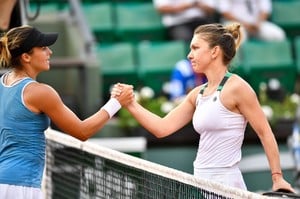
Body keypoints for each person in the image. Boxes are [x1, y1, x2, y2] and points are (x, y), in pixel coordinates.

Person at [113, 23, 295, 192]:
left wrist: (277, 177)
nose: (189, 55)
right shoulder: (197, 94)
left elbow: (265, 132)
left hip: (227, 186)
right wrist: (131, 104)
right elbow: (162, 128)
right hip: (200, 183)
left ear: (215, 51)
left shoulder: (238, 88)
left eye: (195, 48)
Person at [0, 25, 133, 198]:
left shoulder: (3, 82)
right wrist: (116, 103)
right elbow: (82, 131)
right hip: (19, 186)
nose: (50, 52)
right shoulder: (40, 92)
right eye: (43, 48)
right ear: (26, 57)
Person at [218, 0, 286, 42]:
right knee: (238, 36)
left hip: (256, 24)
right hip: (235, 23)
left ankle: (272, 61)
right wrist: (245, 24)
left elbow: (265, 9)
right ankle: (238, 64)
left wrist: (258, 23)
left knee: (278, 35)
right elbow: (225, 12)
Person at [153, 0, 218, 42]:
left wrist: (198, 5)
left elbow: (211, 10)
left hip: (200, 21)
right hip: (178, 23)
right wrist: (185, 6)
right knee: (187, 39)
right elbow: (162, 9)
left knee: (215, 37)